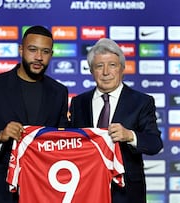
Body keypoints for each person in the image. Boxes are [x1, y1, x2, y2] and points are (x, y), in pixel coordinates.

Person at [0, 25, 69, 203]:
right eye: (32, 50)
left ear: (51, 54)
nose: (38, 57)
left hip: (45, 185)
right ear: (21, 50)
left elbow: (63, 136)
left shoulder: (59, 91)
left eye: (45, 52)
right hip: (1, 188)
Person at [69, 38, 163, 203]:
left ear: (122, 69)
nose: (106, 72)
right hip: (85, 189)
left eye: (112, 65)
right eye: (99, 66)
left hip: (126, 193)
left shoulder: (141, 102)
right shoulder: (78, 103)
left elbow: (155, 143)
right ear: (91, 70)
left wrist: (130, 136)